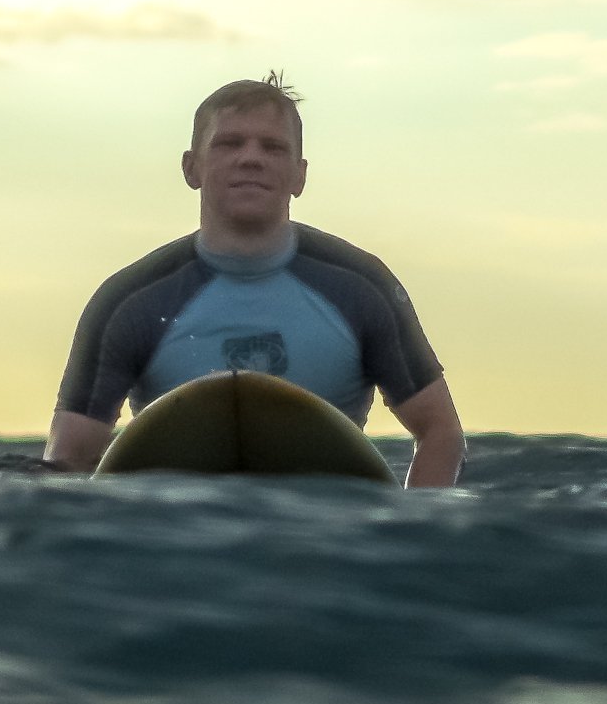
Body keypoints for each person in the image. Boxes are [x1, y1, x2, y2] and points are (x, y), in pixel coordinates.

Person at [44, 75, 463, 484]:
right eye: (229, 143)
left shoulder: (360, 287)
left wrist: (411, 531)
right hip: (175, 539)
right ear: (192, 168)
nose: (251, 158)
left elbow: (441, 433)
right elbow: (69, 460)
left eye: (273, 147)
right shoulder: (129, 301)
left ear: (300, 175)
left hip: (328, 537)